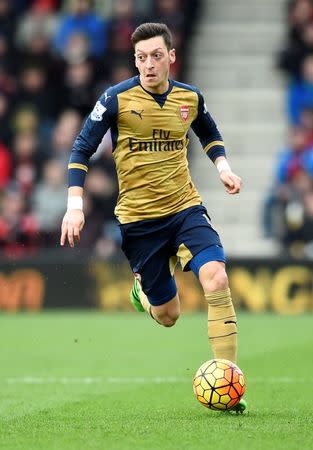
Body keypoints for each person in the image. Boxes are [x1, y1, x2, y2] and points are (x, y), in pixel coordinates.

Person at [60, 22, 246, 412]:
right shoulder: (115, 99)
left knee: (216, 276)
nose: (148, 64)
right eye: (141, 58)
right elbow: (80, 151)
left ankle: (229, 382)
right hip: (140, 221)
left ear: (171, 57)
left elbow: (208, 132)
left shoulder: (189, 98)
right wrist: (74, 207)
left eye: (156, 56)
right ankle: (143, 290)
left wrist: (223, 167)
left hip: (184, 209)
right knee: (168, 316)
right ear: (135, 60)